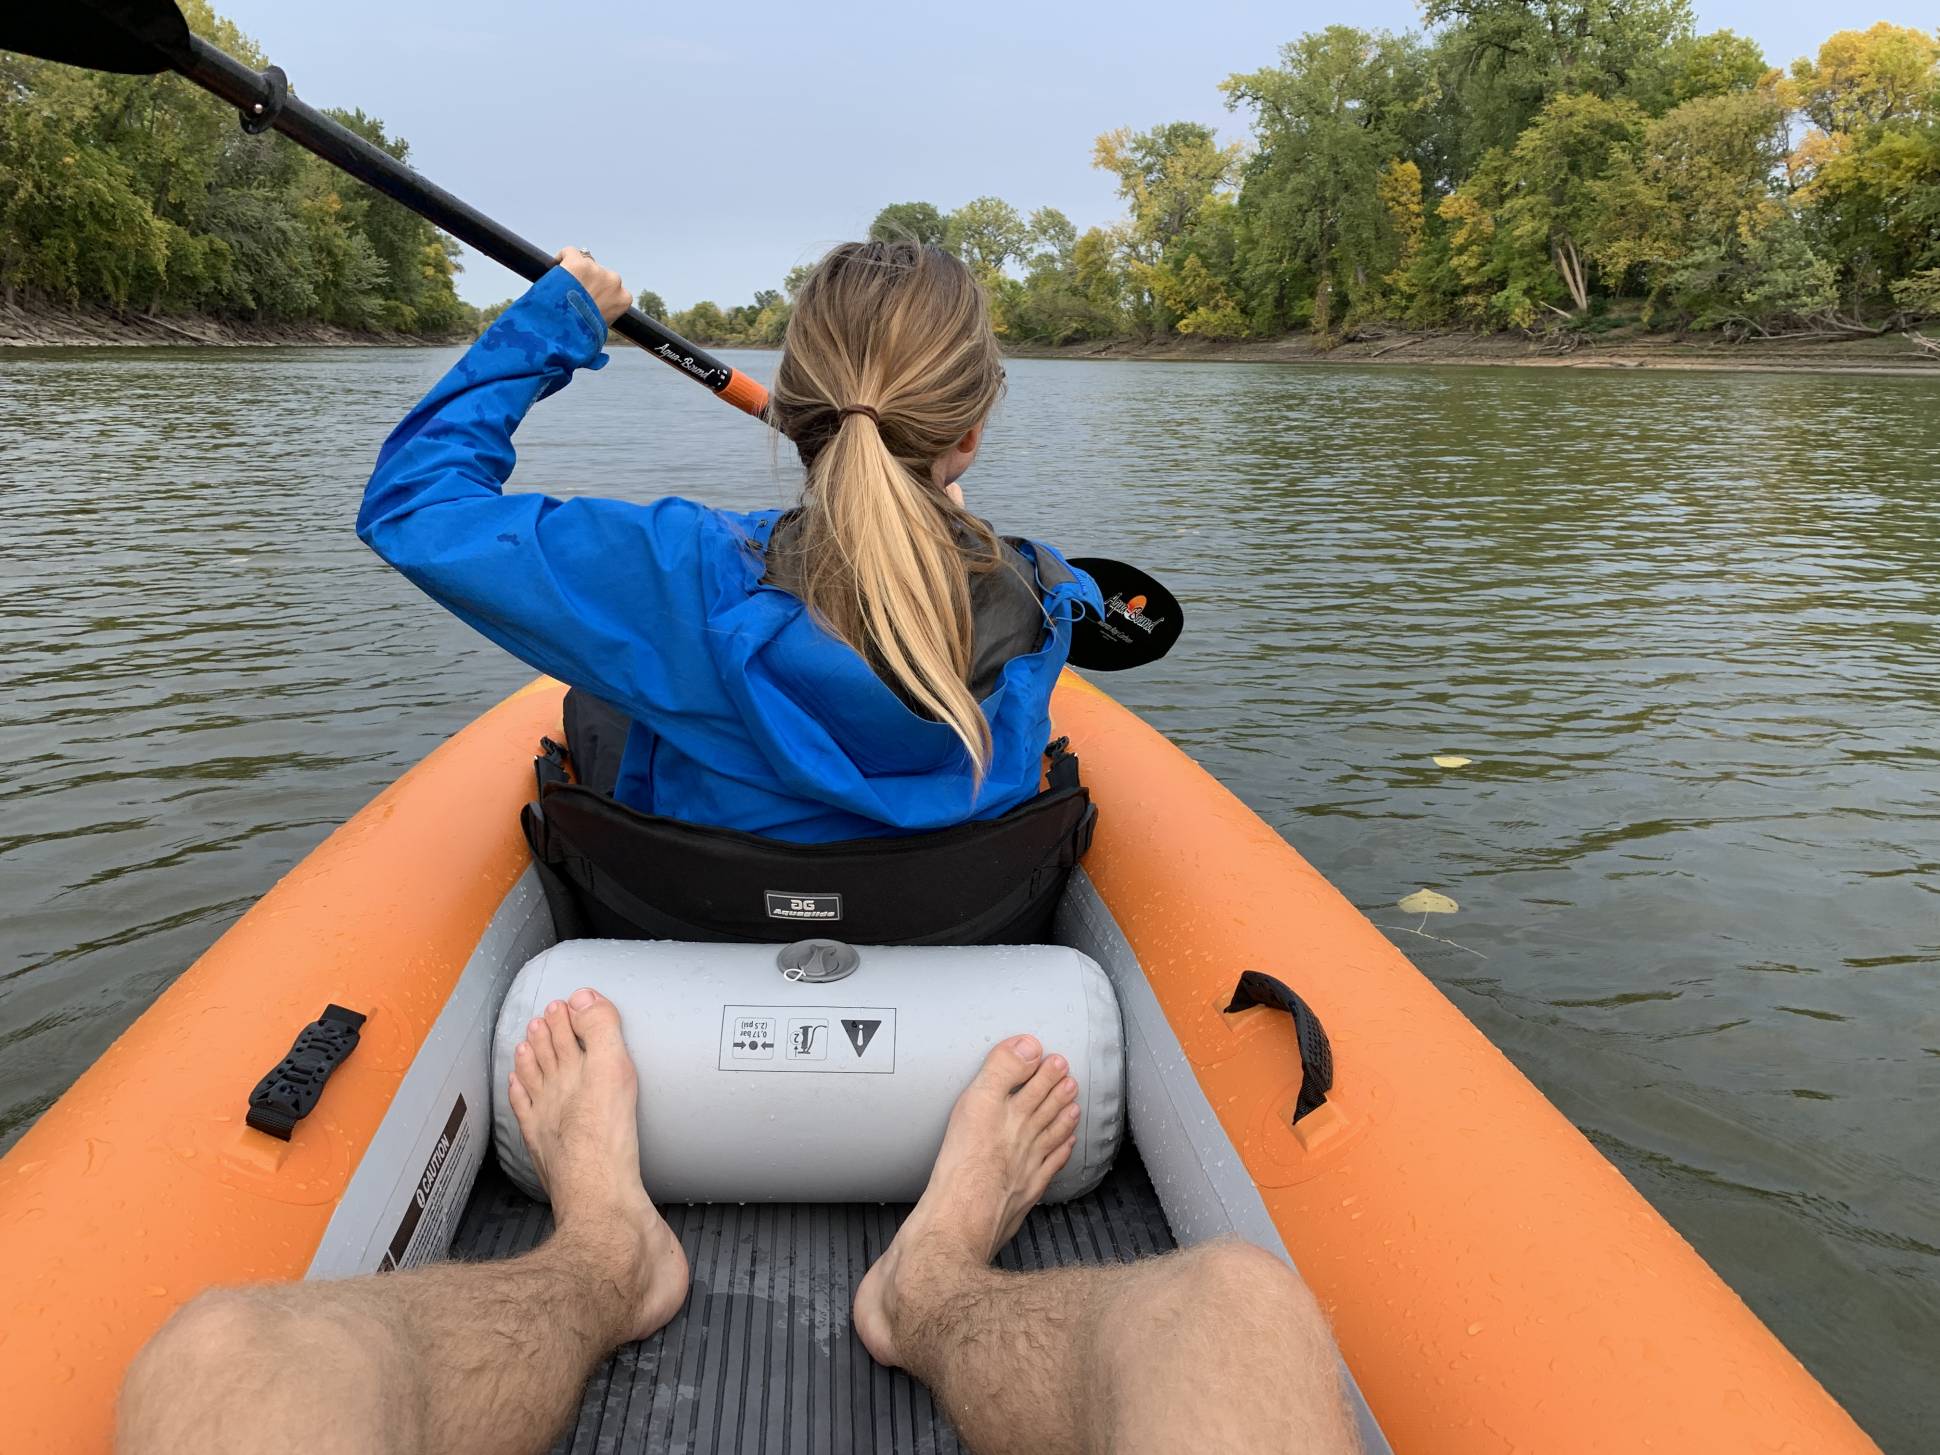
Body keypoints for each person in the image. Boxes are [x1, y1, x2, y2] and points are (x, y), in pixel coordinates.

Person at [118, 989, 1362, 1455]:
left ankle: (606, 1252)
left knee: (231, 1355)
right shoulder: (1015, 601)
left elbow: (421, 514)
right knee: (1233, 1310)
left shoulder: (654, 572)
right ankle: (925, 1281)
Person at [355, 240, 1103, 843]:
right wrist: (948, 532)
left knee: (598, 697)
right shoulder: (1040, 596)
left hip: (699, 912)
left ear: (801, 412)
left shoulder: (681, 569)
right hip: (943, 916)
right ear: (968, 434)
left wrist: (560, 319)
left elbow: (415, 504)